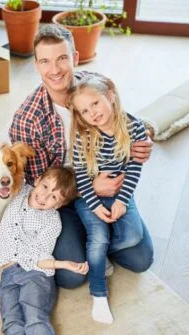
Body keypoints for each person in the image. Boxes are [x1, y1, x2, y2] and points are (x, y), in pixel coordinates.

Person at [8, 24, 154, 290]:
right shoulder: (27, 120)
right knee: (71, 277)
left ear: (75, 58)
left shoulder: (95, 86)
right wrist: (86, 190)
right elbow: (38, 186)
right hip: (64, 199)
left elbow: (125, 120)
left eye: (62, 58)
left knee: (141, 259)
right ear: (37, 66)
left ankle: (99, 240)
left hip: (108, 184)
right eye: (45, 61)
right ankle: (94, 240)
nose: (55, 70)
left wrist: (145, 137)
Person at [68, 74, 149, 324]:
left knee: (133, 236)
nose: (92, 113)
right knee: (99, 235)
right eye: (84, 110)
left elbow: (135, 167)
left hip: (120, 193)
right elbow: (81, 176)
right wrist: (94, 204)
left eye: (95, 103)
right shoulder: (84, 136)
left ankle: (97, 254)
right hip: (89, 197)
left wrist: (122, 200)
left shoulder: (134, 126)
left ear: (110, 96)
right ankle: (99, 294)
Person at [0, 167, 87, 335]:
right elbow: (3, 172)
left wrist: (63, 264)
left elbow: (40, 255)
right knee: (11, 322)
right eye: (45, 187)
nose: (45, 197)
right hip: (8, 275)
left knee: (34, 318)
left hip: (35, 274)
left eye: (54, 197)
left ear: (59, 205)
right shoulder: (20, 191)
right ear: (37, 180)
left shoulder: (52, 222)